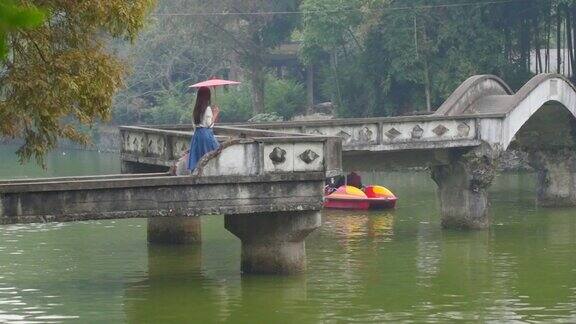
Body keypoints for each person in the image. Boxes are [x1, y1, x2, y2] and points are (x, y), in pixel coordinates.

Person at [188, 86, 220, 171]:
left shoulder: (195, 110)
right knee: (212, 153)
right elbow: (209, 125)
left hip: (197, 135)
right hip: (206, 134)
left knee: (198, 156)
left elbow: (194, 125)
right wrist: (215, 114)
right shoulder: (207, 109)